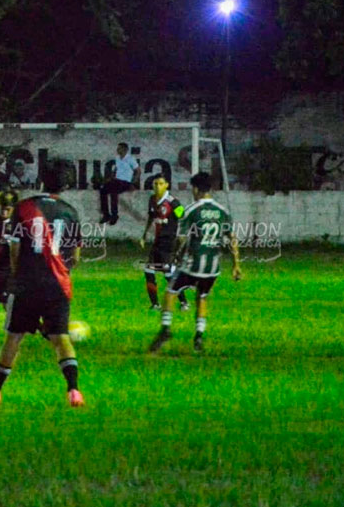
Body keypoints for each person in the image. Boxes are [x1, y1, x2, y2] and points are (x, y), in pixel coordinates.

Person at [0, 161, 85, 408]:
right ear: (66, 185)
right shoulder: (70, 211)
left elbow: (14, 248)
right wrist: (61, 272)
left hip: (27, 283)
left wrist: (17, 276)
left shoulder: (25, 207)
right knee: (61, 338)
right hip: (58, 285)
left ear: (41, 180)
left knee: (13, 339)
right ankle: (74, 391)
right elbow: (76, 256)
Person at [149, 172, 242, 354]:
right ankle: (199, 336)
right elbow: (232, 239)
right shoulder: (222, 211)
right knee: (202, 296)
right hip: (212, 267)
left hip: (193, 265)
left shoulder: (192, 210)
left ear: (197, 189)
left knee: (171, 291)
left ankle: (166, 329)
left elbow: (182, 238)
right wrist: (236, 265)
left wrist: (175, 254)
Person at [139, 176, 189, 311]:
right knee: (148, 271)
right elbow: (151, 217)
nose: (157, 186)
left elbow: (183, 216)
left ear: (166, 185)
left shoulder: (172, 202)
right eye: (155, 184)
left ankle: (184, 302)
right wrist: (144, 235)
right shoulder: (152, 200)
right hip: (157, 242)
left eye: (161, 183)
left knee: (168, 274)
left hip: (169, 243)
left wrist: (182, 237)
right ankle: (155, 304)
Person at [99, 142, 139, 225]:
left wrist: (133, 183)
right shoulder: (117, 158)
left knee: (114, 192)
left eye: (119, 148)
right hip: (116, 180)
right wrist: (109, 178)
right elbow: (116, 169)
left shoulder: (130, 159)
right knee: (103, 190)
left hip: (125, 182)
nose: (117, 150)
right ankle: (106, 214)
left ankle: (114, 215)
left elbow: (138, 171)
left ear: (124, 149)